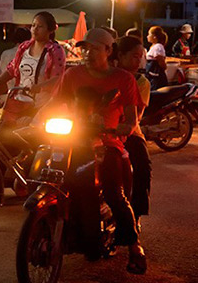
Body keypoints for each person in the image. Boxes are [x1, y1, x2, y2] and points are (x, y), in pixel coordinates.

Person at [51, 28, 146, 274]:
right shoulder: (72, 75)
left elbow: (131, 119)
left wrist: (118, 127)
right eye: (84, 48)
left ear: (108, 50)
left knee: (114, 193)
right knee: (52, 177)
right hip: (74, 140)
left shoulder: (123, 79)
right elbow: (56, 104)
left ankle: (135, 246)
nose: (87, 53)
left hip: (107, 143)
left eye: (94, 48)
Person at [0, 11, 66, 124]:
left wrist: (40, 87)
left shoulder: (55, 51)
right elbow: (11, 70)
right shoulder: (24, 48)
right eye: (33, 25)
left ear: (50, 30)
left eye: (40, 26)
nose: (35, 29)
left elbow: (58, 78)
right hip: (19, 102)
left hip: (41, 106)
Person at [117, 35, 152, 233]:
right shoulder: (105, 75)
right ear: (119, 55)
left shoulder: (141, 82)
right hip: (98, 132)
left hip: (129, 133)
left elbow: (136, 116)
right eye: (133, 56)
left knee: (142, 167)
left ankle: (135, 215)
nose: (137, 61)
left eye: (140, 57)